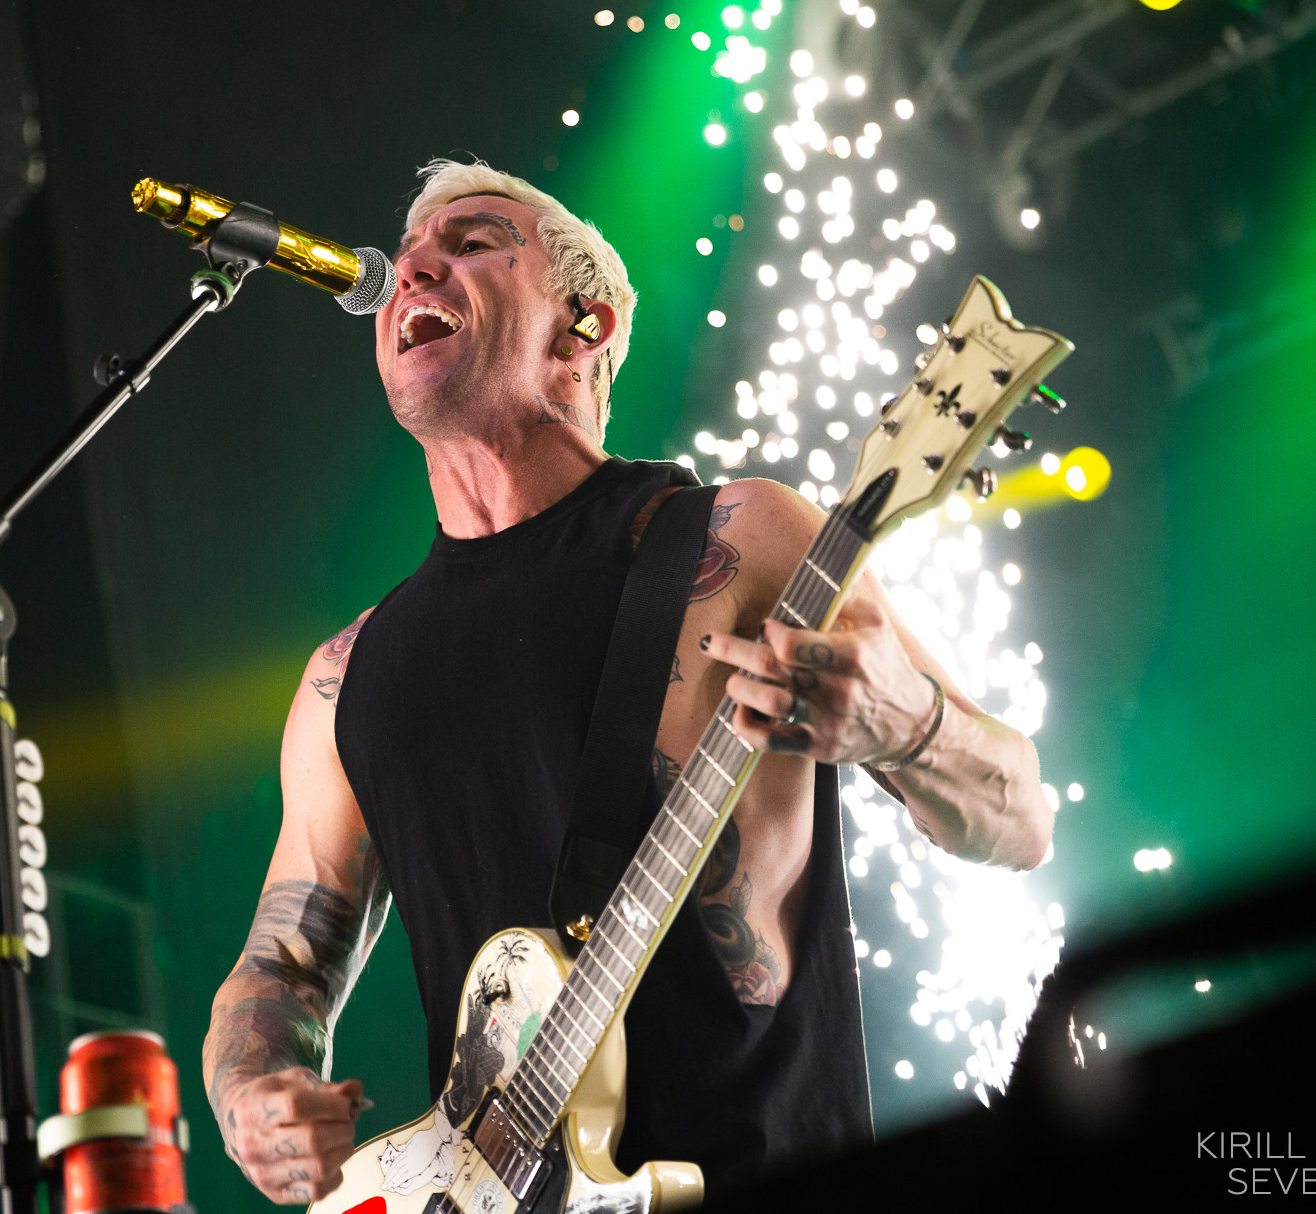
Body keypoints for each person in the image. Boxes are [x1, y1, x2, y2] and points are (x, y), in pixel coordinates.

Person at [201, 159, 1051, 1204]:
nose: (412, 265)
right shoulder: (349, 674)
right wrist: (254, 1091)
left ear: (581, 327)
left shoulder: (740, 540)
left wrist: (908, 724)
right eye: (411, 250)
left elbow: (1020, 819)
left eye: (471, 243)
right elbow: (281, 967)